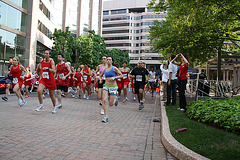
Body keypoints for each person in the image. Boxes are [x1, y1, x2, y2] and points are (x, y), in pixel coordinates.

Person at [99, 56, 123, 123]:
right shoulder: (105, 69)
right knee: (105, 100)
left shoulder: (114, 68)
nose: (108, 61)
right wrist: (100, 79)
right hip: (106, 86)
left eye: (110, 60)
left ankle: (115, 100)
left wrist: (114, 77)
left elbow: (121, 75)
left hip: (113, 87)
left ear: (112, 61)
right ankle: (106, 116)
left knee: (111, 104)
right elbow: (100, 75)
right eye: (107, 60)